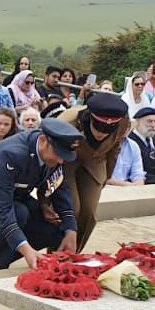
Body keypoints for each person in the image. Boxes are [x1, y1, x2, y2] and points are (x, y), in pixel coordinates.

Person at [0, 119, 82, 271]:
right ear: (43, 141)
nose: (60, 160)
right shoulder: (11, 154)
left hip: (15, 197)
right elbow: (2, 208)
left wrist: (71, 229)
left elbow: (60, 190)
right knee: (18, 213)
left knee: (54, 228)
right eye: (58, 154)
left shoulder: (53, 157)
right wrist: (26, 249)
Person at [57, 92, 131, 250]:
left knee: (89, 214)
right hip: (66, 162)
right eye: (98, 127)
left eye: (108, 129)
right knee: (71, 209)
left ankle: (74, 252)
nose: (102, 133)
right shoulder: (67, 122)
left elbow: (114, 150)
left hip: (95, 162)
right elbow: (52, 152)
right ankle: (57, 252)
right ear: (90, 118)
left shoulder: (124, 123)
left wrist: (106, 178)